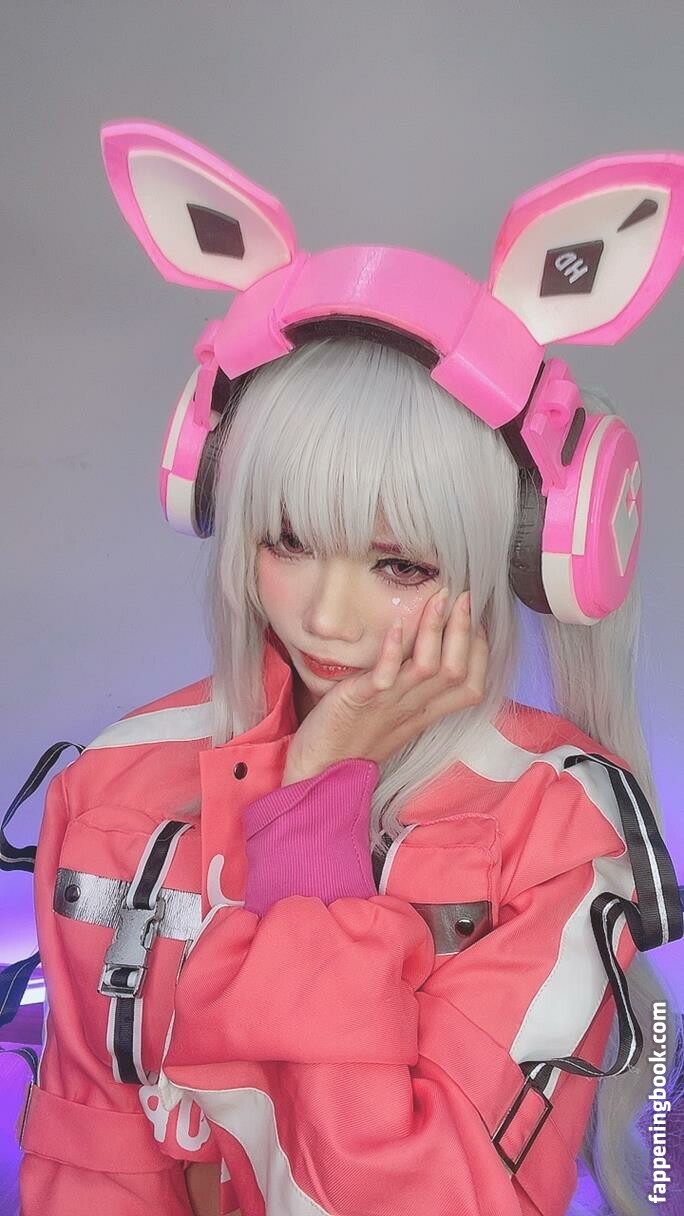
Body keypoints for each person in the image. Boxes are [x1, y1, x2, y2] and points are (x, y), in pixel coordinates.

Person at [14, 120, 684, 1216]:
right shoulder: (114, 784)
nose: (326, 615)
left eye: (399, 563)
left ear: (525, 551)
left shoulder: (560, 830)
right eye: (285, 540)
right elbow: (89, 1158)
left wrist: (316, 814)